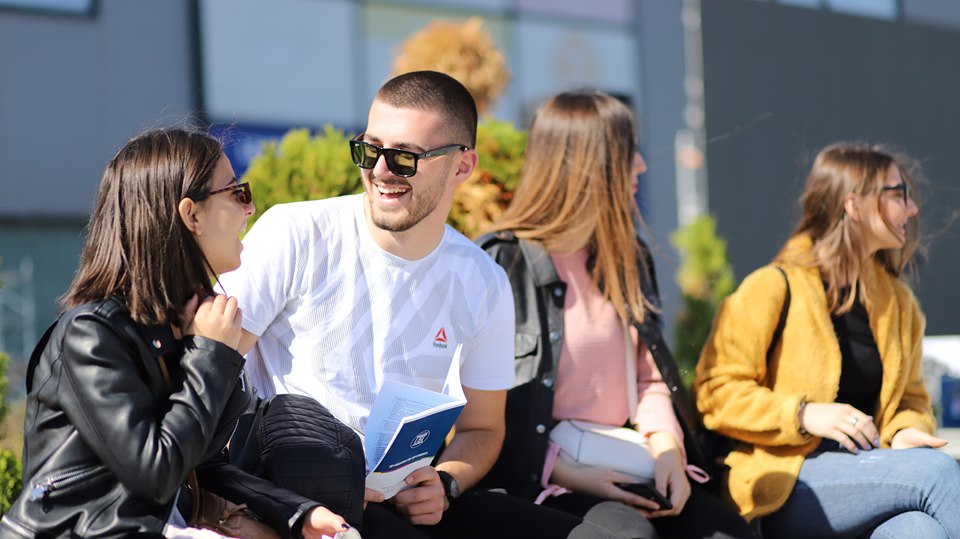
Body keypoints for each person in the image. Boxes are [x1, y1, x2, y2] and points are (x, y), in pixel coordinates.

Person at [218, 71, 619, 539]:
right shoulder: (297, 233)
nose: (381, 170)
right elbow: (213, 379)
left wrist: (446, 482)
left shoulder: (482, 279)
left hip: (406, 502)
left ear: (462, 167)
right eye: (370, 150)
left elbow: (484, 429)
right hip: (301, 500)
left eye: (405, 157)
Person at [0, 127, 352, 538]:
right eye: (238, 192)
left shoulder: (183, 324)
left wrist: (297, 514)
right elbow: (156, 470)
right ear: (192, 214)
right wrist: (212, 353)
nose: (250, 208)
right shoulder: (91, 336)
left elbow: (201, 464)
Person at [478, 90, 752, 539]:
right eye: (629, 154)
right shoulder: (501, 263)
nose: (641, 166)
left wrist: (667, 453)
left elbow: (650, 379)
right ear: (588, 166)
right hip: (543, 479)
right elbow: (480, 409)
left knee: (725, 530)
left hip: (631, 456)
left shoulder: (628, 257)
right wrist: (565, 471)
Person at [694, 142, 960, 538]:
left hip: (869, 472)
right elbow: (714, 391)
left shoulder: (899, 304)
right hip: (785, 480)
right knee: (937, 473)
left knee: (917, 529)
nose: (912, 208)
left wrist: (903, 431)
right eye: (898, 193)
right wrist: (802, 414)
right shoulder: (772, 286)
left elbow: (910, 401)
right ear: (854, 206)